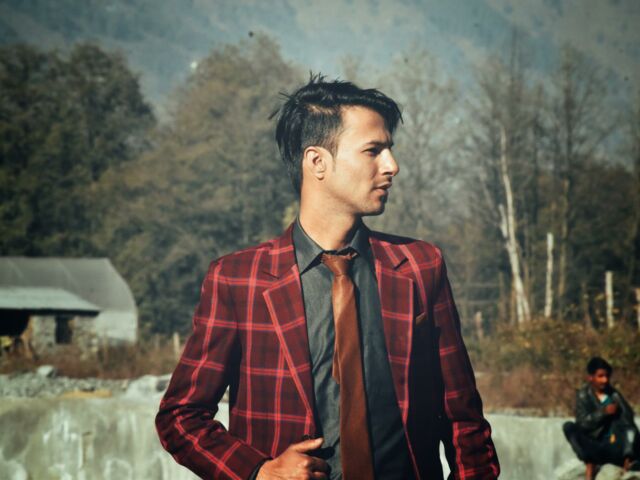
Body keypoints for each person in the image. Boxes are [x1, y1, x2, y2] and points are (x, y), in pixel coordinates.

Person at [155, 76, 500, 480]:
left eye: (389, 149)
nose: (392, 166)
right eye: (373, 150)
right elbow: (181, 417)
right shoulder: (238, 279)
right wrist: (258, 472)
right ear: (317, 162)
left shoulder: (420, 267)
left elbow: (463, 420)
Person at [563, 357, 639, 479]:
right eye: (600, 376)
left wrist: (628, 454)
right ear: (591, 377)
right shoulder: (583, 395)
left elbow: (629, 425)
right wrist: (603, 412)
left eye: (607, 376)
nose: (605, 380)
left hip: (613, 446)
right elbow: (582, 424)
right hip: (593, 446)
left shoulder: (614, 395)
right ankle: (590, 463)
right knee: (569, 427)